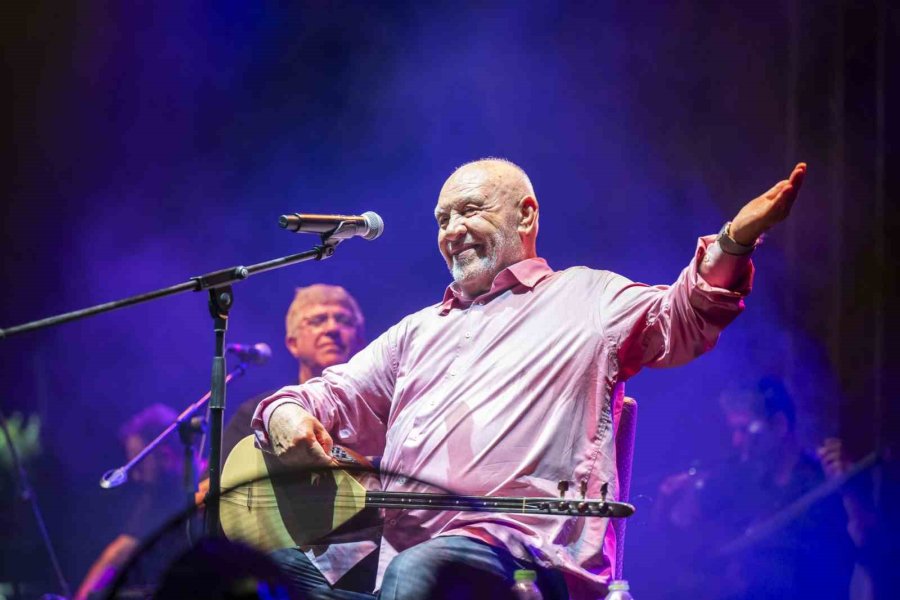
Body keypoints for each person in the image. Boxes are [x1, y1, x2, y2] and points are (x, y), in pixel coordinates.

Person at [252, 157, 807, 599]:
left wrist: (733, 242)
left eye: (469, 210)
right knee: (259, 579)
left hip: (523, 562)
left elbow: (683, 317)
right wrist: (286, 416)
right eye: (442, 220)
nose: (452, 231)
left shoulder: (587, 298)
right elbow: (327, 393)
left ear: (525, 215)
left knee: (426, 572)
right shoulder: (416, 332)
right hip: (396, 566)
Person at [650, 377, 873, 599]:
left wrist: (852, 491)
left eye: (745, 429)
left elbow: (867, 548)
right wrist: (672, 499)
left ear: (779, 425)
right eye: (734, 430)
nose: (737, 440)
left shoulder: (822, 481)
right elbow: (683, 533)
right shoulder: (744, 479)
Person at [220, 284, 378, 593]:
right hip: (283, 555)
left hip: (369, 560)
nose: (332, 329)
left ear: (361, 341)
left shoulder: (380, 413)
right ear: (292, 343)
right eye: (317, 321)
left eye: (343, 321)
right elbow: (215, 495)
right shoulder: (257, 411)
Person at [75, 404, 186, 600]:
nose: (135, 476)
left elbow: (119, 554)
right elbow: (119, 553)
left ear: (165, 456)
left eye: (139, 463)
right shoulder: (156, 495)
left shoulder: (200, 487)